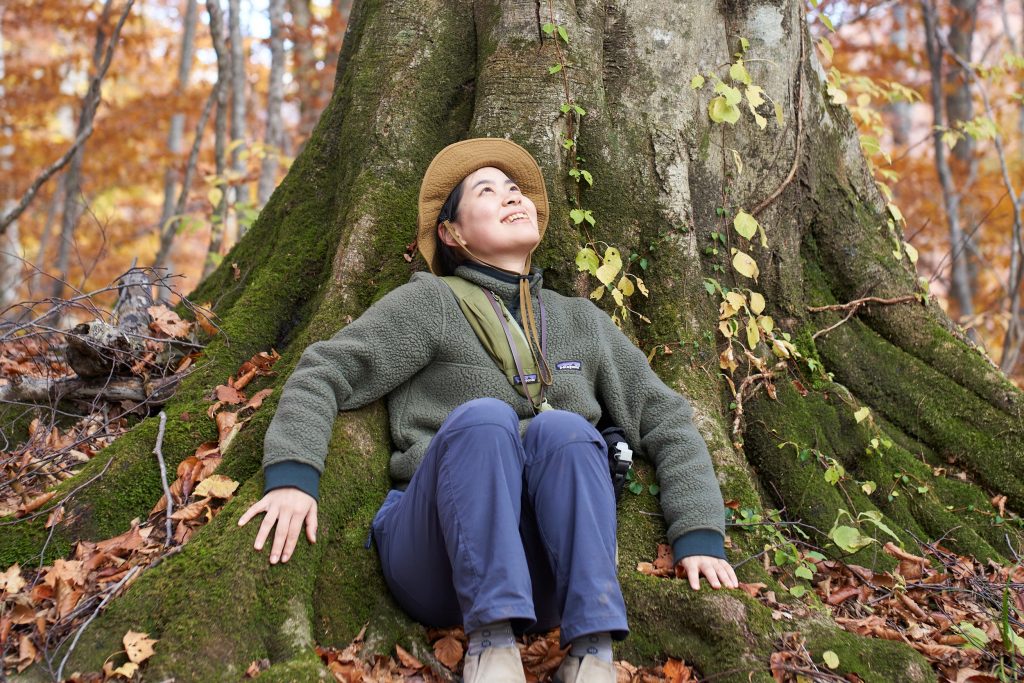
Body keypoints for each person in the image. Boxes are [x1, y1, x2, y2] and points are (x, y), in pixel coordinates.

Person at [238, 138, 738, 683]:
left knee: (565, 430)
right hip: (435, 557)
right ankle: (490, 651)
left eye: (516, 189)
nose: (511, 197)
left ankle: (592, 652)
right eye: (487, 190)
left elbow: (666, 418)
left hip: (549, 572)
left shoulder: (582, 323)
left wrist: (699, 532)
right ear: (451, 233)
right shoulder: (430, 303)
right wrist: (292, 476)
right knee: (485, 420)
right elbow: (325, 372)